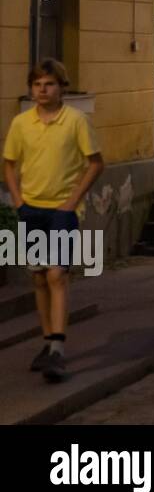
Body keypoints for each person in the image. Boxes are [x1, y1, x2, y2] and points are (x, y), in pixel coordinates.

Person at [3, 59, 104, 383]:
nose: (42, 90)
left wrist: (72, 201)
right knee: (38, 278)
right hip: (31, 210)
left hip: (62, 212)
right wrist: (18, 201)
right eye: (36, 85)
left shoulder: (75, 121)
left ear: (62, 87)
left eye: (48, 84)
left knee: (57, 275)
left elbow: (95, 163)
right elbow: (8, 164)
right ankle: (47, 343)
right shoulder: (21, 123)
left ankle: (58, 350)